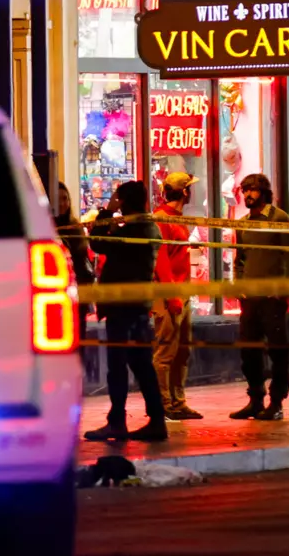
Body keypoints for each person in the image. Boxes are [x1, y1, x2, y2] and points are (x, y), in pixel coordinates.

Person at [83, 181, 167, 442]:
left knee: (120, 366)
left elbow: (99, 244)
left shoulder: (137, 230)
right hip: (136, 306)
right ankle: (154, 420)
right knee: (141, 365)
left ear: (124, 201)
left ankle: (118, 422)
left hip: (124, 307)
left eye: (118, 198)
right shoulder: (144, 226)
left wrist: (107, 212)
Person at [229, 174, 289, 421]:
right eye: (244, 190)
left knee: (278, 352)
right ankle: (255, 399)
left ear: (264, 192)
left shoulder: (279, 218)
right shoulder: (243, 223)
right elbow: (239, 260)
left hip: (273, 298)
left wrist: (284, 292)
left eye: (253, 190)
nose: (247, 194)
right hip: (250, 299)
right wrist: (240, 287)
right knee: (249, 352)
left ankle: (277, 401)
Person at [150, 173, 202, 421]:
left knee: (182, 351)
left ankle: (178, 402)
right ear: (184, 192)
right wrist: (172, 297)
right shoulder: (162, 219)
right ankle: (164, 404)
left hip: (183, 292)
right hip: (169, 294)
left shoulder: (179, 219)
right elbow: (161, 262)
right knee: (165, 353)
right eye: (189, 188)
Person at [54, 182, 95, 339]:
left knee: (78, 339)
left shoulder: (75, 226)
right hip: (57, 295)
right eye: (57, 200)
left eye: (65, 198)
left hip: (77, 293)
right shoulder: (46, 227)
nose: (63, 203)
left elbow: (82, 259)